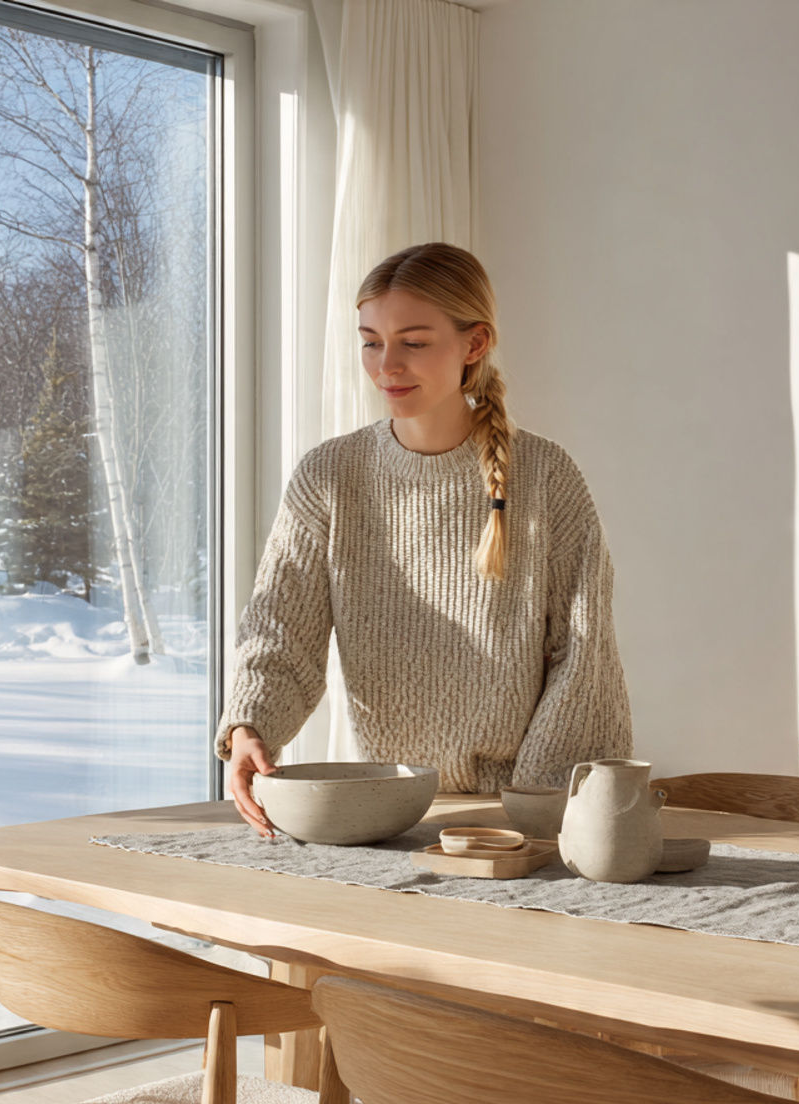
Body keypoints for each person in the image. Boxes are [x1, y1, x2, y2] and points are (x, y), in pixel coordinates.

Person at [218, 242, 632, 834]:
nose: (386, 365)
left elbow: (583, 659)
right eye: (371, 341)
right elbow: (281, 630)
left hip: (523, 816)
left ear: (474, 343)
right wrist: (249, 727)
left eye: (413, 343)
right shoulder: (330, 475)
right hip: (386, 807)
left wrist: (534, 807)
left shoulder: (545, 477)